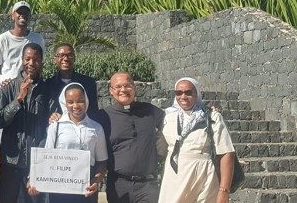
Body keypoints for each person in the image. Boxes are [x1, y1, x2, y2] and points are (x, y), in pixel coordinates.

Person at [0, 43, 57, 203]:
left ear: (42, 61)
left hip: (36, 160)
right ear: (22, 60)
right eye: (27, 59)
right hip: (11, 159)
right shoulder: (8, 87)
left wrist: (56, 117)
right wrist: (18, 99)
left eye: (35, 59)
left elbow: (52, 124)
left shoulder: (47, 89)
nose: (31, 63)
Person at [159, 77, 236, 203]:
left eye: (188, 92)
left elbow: (227, 152)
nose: (183, 96)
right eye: (179, 93)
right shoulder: (166, 117)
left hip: (204, 174)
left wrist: (224, 191)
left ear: (196, 94)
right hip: (174, 176)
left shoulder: (212, 117)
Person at [29, 83, 108, 203]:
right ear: (64, 103)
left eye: (80, 101)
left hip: (86, 189)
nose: (75, 106)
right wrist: (33, 180)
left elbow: (102, 162)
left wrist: (95, 182)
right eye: (70, 102)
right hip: (59, 190)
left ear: (86, 100)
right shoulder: (55, 126)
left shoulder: (96, 128)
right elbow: (45, 158)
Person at [94, 72, 166, 203]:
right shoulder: (103, 116)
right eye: (118, 86)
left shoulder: (150, 111)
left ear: (134, 87)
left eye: (127, 85)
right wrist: (58, 118)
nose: (123, 90)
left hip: (148, 186)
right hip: (118, 185)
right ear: (111, 90)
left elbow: (174, 120)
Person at [0, 1, 45, 86]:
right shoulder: (2, 40)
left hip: (31, 87)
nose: (22, 15)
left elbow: (40, 65)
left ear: (29, 17)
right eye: (19, 12)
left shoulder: (38, 39)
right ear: (13, 16)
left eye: (26, 13)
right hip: (7, 88)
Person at [49, 43, 99, 114]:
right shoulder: (48, 85)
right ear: (54, 59)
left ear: (74, 58)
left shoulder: (88, 83)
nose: (66, 59)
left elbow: (93, 111)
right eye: (61, 55)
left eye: (70, 55)